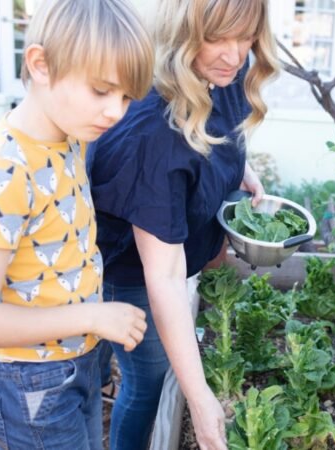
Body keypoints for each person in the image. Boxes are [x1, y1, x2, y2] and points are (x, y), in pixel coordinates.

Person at [87, 0, 279, 449]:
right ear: (181, 32)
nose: (234, 54)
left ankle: (98, 367)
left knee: (125, 349)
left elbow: (220, 131)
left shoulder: (220, 72)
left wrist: (241, 169)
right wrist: (200, 397)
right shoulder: (153, 133)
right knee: (148, 378)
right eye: (217, 37)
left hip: (159, 252)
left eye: (246, 35)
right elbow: (166, 276)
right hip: (128, 267)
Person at [0, 1, 154, 449]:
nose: (116, 112)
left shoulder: (71, 136)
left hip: (77, 358)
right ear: (41, 65)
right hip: (28, 381)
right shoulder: (3, 172)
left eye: (126, 97)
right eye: (101, 90)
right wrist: (94, 315)